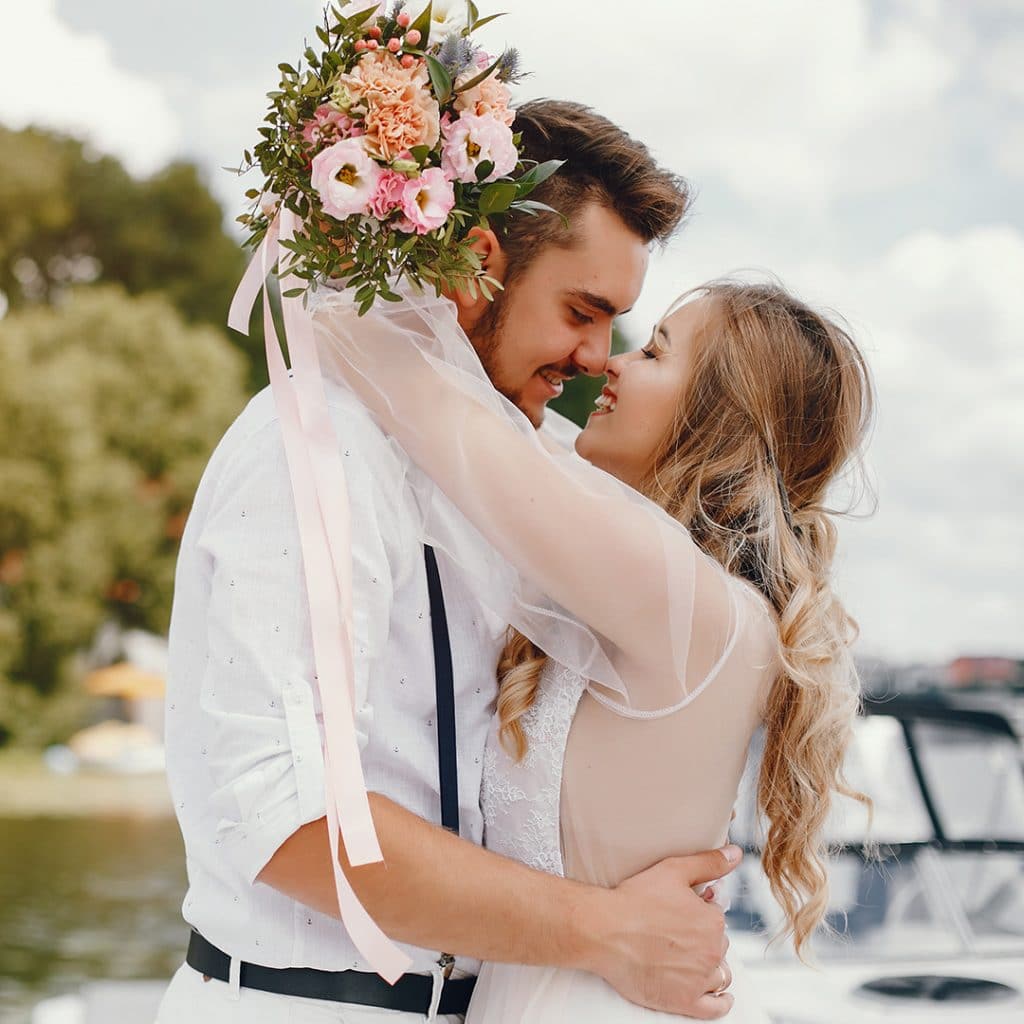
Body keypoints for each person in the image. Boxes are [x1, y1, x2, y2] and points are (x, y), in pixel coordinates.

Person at [157, 101, 743, 1024]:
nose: (595, 358)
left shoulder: (510, 472)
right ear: (475, 264)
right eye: (581, 312)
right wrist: (607, 932)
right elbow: (286, 816)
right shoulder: (317, 445)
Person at [311, 272, 874, 1022]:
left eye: (655, 354)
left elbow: (423, 395)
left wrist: (354, 231)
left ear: (715, 414)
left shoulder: (692, 603)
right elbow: (510, 428)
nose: (613, 361)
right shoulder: (673, 590)